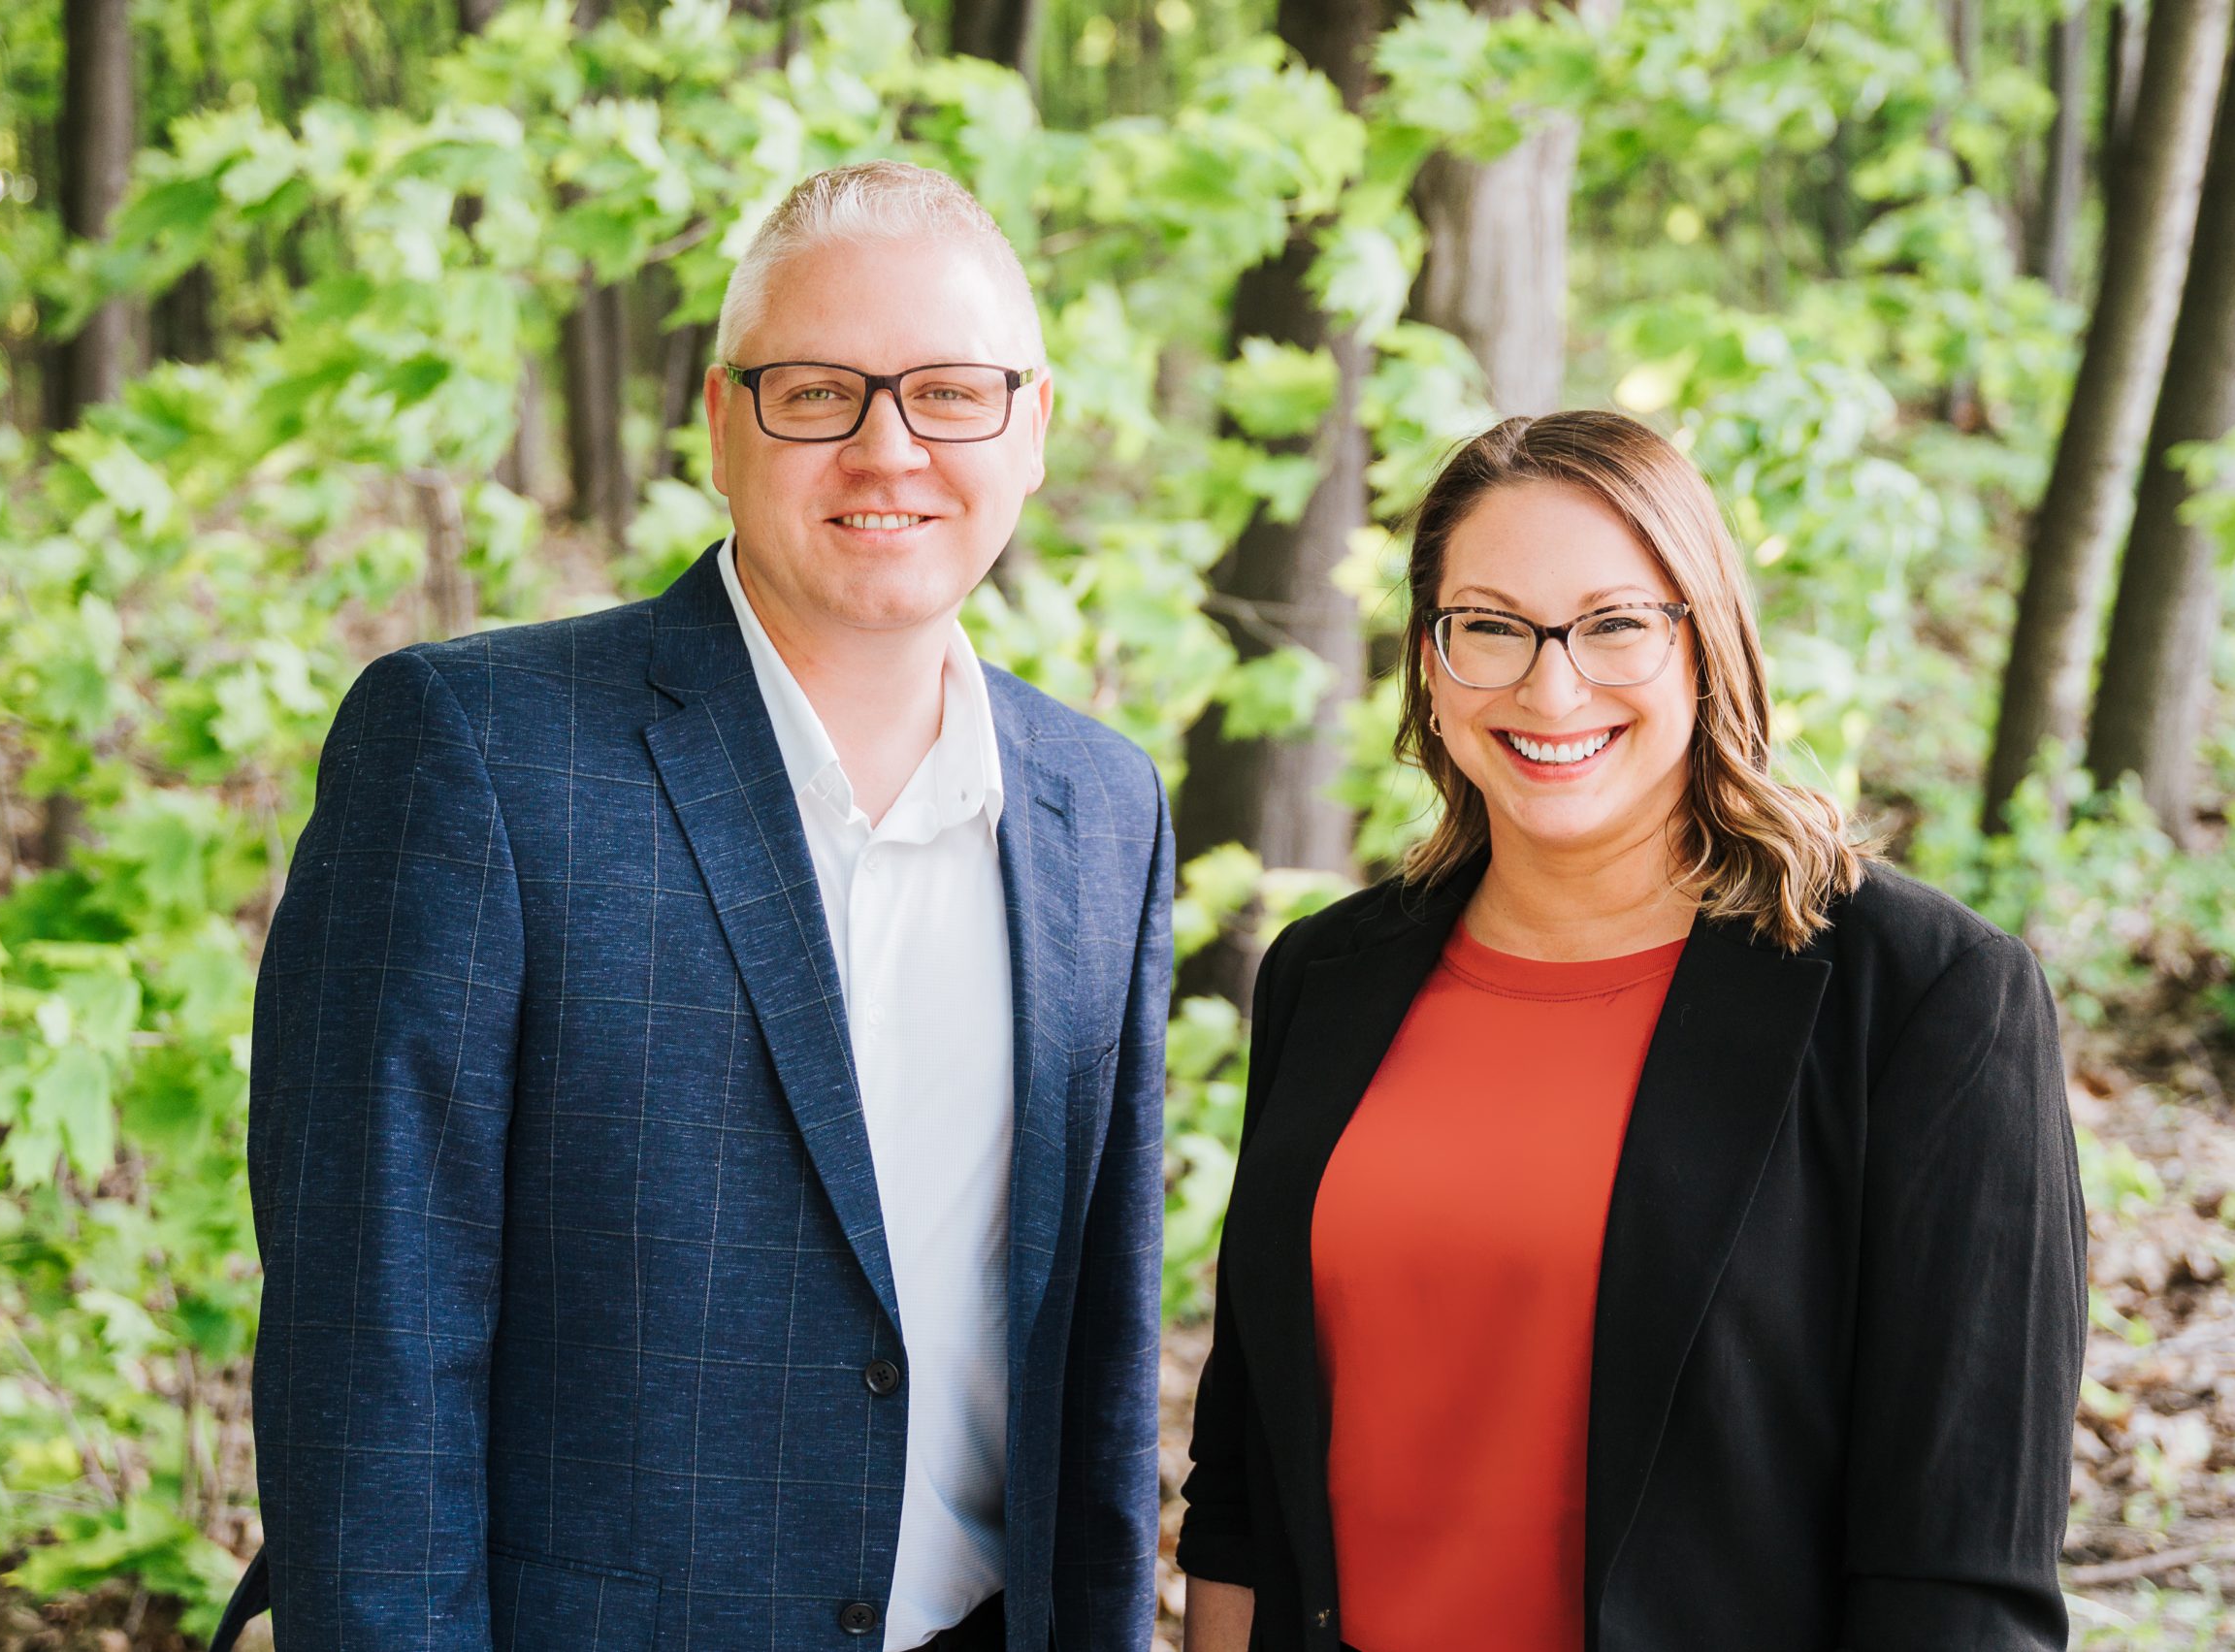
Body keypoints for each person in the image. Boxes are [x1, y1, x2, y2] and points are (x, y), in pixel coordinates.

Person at [212, 162, 1172, 1652]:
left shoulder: (1101, 806)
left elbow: (1095, 1370)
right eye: (817, 392)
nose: (888, 447)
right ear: (723, 423)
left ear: (1032, 426)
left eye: (950, 394)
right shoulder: (476, 754)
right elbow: (368, 1367)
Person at [1175, 410, 2087, 1652]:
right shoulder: (1326, 978)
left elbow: (1960, 1579)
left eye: (1614, 624)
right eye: (1489, 625)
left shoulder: (1925, 999)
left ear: (1704, 645)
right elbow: (1241, 1482)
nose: (1552, 685)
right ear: (1430, 664)